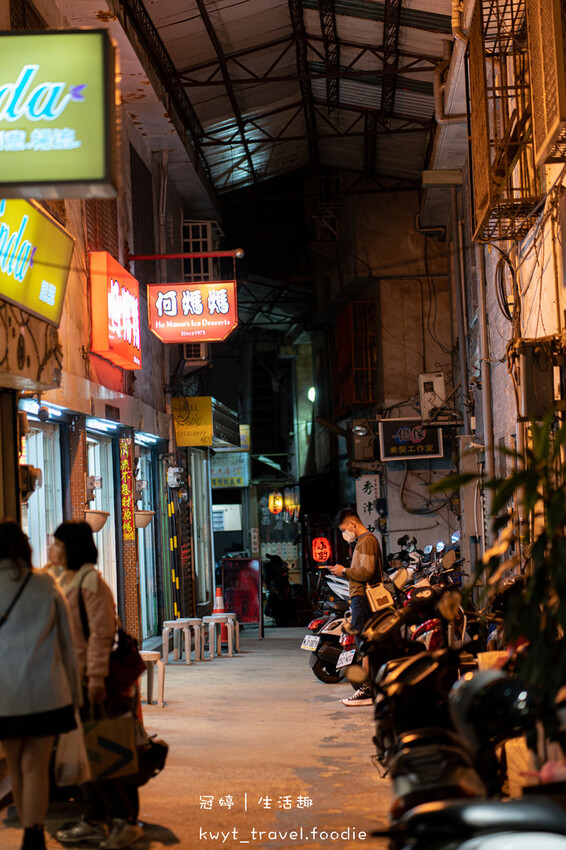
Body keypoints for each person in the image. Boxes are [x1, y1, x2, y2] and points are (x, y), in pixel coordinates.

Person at [50, 521, 144, 850]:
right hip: (71, 682)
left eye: (57, 544)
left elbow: (102, 634)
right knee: (83, 754)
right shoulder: (67, 579)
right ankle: (93, 819)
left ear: (70, 548)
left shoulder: (90, 581)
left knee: (102, 750)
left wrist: (94, 678)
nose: (51, 549)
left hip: (91, 682)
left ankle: (123, 821)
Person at [0, 520, 81, 850]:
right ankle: (34, 834)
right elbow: (67, 643)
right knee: (36, 766)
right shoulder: (45, 584)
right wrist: (75, 695)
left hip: (4, 697)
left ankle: (29, 829)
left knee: (15, 767)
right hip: (46, 693)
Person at [328, 508, 383, 706]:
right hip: (359, 597)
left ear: (352, 524)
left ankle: (367, 690)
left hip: (363, 598)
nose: (345, 533)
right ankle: (371, 688)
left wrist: (345, 572)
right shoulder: (363, 541)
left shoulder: (367, 540)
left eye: (344, 528)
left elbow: (366, 572)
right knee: (365, 643)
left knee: (364, 643)